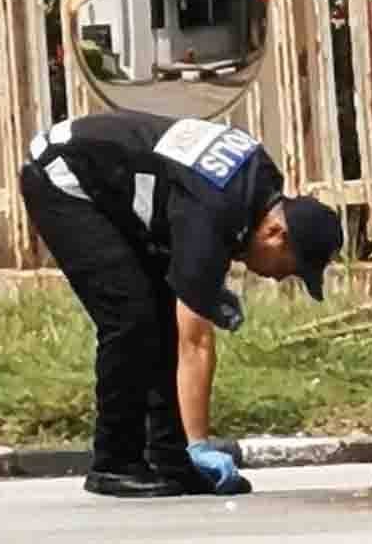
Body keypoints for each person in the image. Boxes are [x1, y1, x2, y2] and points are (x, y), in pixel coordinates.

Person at [18, 110, 344, 498]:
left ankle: (169, 459)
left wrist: (185, 459)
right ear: (275, 233)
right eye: (289, 268)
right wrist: (200, 444)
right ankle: (114, 461)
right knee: (131, 316)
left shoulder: (258, 185)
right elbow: (195, 340)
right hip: (64, 177)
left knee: (157, 311)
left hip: (112, 184)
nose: (278, 278)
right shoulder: (216, 212)